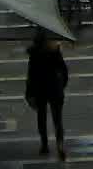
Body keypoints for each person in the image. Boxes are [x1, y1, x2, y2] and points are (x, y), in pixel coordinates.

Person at [25, 30, 69, 158]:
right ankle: (60, 144)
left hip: (40, 89)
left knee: (41, 118)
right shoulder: (54, 52)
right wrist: (62, 85)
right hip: (54, 88)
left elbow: (31, 75)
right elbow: (64, 70)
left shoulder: (34, 54)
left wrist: (29, 93)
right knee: (57, 119)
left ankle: (44, 144)